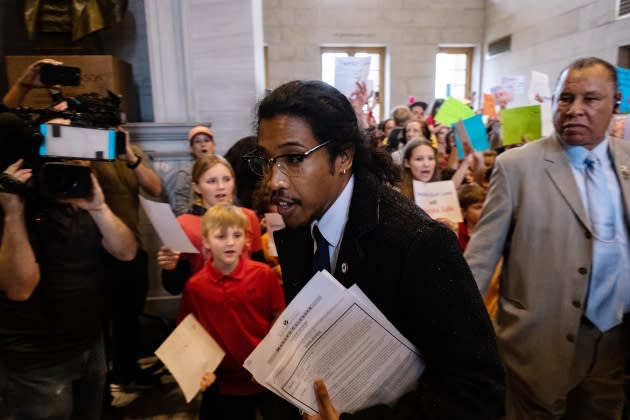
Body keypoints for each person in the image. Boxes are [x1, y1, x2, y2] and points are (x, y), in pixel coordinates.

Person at [247, 79, 504, 419]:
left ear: (343, 157)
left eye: (294, 158)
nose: (274, 180)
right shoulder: (296, 223)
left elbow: (477, 390)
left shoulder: (418, 242)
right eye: (267, 161)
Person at [464, 57, 630, 419]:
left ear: (616, 104)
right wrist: (457, 339)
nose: (575, 110)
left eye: (590, 99)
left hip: (613, 352)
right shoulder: (517, 167)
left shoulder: (627, 161)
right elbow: (479, 262)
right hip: (535, 351)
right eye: (565, 98)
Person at [0, 155, 137, 419]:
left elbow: (126, 251)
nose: (73, 166)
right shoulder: (18, 205)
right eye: (61, 157)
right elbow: (20, 289)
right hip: (39, 360)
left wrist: (99, 208)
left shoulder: (83, 203)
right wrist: (13, 211)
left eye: (80, 159)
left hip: (89, 344)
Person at [177, 203, 285, 420]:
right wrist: (198, 370)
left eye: (237, 235)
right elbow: (187, 331)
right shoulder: (195, 286)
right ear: (206, 241)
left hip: (266, 379)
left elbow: (280, 315)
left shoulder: (263, 274)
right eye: (220, 236)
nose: (230, 242)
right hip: (222, 385)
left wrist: (269, 359)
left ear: (246, 239)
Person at [159, 155, 263, 295]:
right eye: (212, 181)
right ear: (197, 187)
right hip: (204, 301)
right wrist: (169, 268)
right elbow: (174, 288)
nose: (221, 187)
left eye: (227, 179)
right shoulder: (183, 224)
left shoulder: (248, 217)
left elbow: (260, 268)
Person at [172, 124, 216, 216]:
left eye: (206, 140)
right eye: (197, 141)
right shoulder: (185, 173)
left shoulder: (224, 168)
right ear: (191, 148)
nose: (203, 144)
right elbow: (180, 206)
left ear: (214, 145)